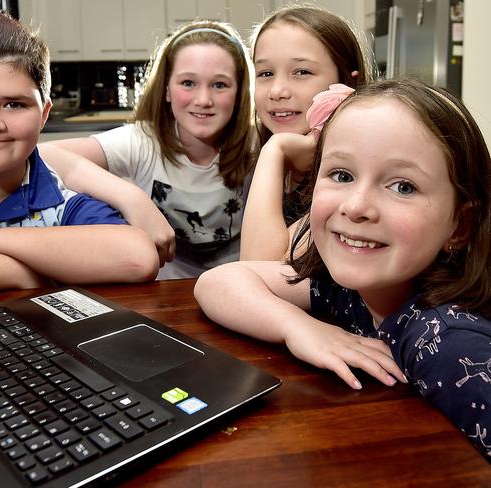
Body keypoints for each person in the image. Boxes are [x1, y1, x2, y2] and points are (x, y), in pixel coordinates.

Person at [194, 78, 491, 460]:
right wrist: (298, 328)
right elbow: (218, 281)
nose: (355, 206)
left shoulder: (451, 342)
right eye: (342, 175)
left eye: (403, 186)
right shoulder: (349, 291)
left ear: (460, 226)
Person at [0, 12, 160, 299]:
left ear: (44, 115)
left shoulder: (59, 203)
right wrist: (19, 273)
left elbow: (138, 258)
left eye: (14, 104)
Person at [40, 20, 256, 279]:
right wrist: (132, 198)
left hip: (242, 287)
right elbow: (43, 155)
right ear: (166, 90)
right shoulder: (143, 141)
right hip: (163, 291)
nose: (203, 100)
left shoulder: (259, 144)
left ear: (239, 92)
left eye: (220, 85)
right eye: (188, 83)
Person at [240, 5, 374, 261]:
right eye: (266, 73)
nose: (277, 90)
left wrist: (275, 150)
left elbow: (258, 268)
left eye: (302, 72)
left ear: (349, 83)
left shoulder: (351, 179)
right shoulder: (266, 162)